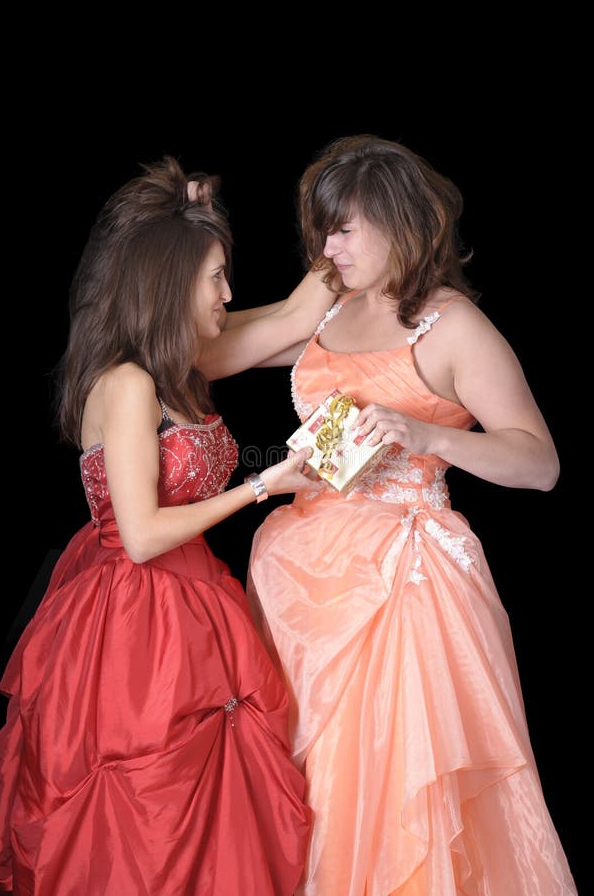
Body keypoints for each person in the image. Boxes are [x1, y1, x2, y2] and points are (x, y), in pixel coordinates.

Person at [0, 156, 338, 895]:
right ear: (170, 280)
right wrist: (262, 486)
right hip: (130, 623)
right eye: (214, 276)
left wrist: (337, 217)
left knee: (219, 819)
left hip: (193, 606)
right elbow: (144, 536)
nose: (228, 292)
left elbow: (295, 320)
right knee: (142, 823)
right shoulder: (125, 384)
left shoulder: (185, 364)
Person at [244, 136, 578, 895]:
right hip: (303, 578)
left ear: (398, 222)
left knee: (392, 775)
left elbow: (539, 464)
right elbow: (208, 351)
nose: (327, 246)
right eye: (321, 228)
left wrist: (427, 434)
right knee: (310, 773)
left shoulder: (450, 324)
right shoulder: (327, 305)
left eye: (344, 228)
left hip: (406, 583)